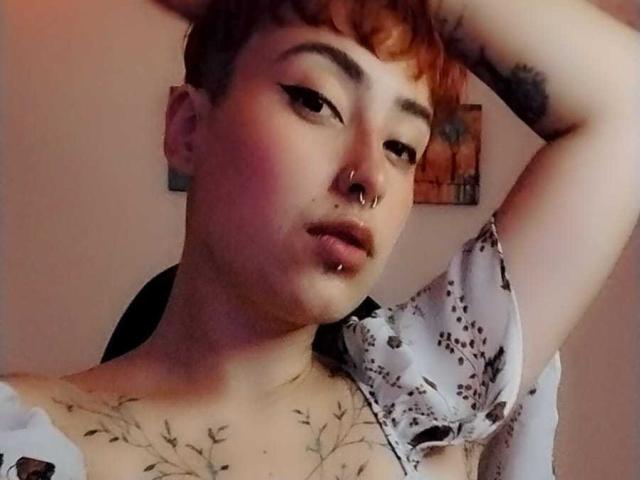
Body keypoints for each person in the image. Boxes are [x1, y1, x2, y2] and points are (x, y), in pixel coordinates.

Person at [1, 0, 637, 479]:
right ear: (189, 129)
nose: (369, 177)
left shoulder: (427, 405)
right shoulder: (23, 439)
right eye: (315, 101)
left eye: (402, 147)